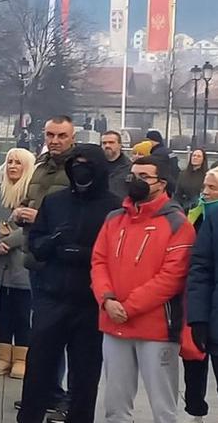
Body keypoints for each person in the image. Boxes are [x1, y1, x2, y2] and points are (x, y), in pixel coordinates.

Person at [15, 144, 120, 423]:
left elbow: (117, 254)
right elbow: (35, 244)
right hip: (52, 295)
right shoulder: (55, 201)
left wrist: (84, 253)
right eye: (76, 165)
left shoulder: (114, 207)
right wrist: (53, 242)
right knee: (38, 367)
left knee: (85, 374)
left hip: (90, 301)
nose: (80, 170)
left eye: (87, 165)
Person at [92, 154, 194, 423]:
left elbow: (171, 277)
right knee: (115, 405)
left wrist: (128, 307)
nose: (135, 181)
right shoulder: (114, 218)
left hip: (156, 328)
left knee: (163, 408)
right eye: (133, 176)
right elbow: (99, 261)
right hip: (114, 322)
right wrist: (107, 299)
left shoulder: (178, 223)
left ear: (162, 183)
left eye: (144, 177)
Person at [0, 148, 36, 379]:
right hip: (0, 265)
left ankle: (22, 358)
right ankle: (3, 356)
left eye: (18, 162)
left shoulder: (32, 193)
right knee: (1, 311)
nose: (13, 166)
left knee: (23, 313)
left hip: (22, 263)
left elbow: (34, 227)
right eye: (10, 161)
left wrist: (9, 241)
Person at [185, 167, 218, 422]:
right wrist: (197, 318)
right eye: (205, 187)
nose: (205, 192)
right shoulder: (210, 219)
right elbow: (201, 269)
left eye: (212, 187)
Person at [102, 130, 131, 199]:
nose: (107, 145)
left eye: (111, 142)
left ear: (120, 145)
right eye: (104, 143)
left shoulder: (130, 168)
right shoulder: (95, 166)